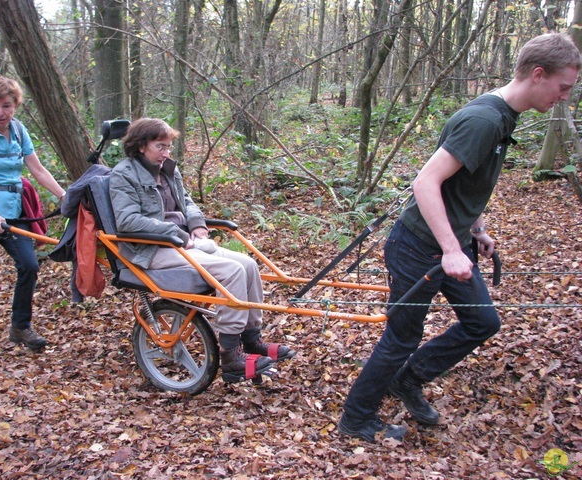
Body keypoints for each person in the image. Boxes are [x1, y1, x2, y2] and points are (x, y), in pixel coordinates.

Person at [338, 33, 581, 443]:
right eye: (564, 87)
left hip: (451, 244)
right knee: (401, 337)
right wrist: (451, 248)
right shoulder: (484, 120)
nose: (565, 97)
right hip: (419, 247)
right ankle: (356, 419)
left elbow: (465, 185)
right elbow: (426, 182)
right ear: (538, 75)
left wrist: (475, 230)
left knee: (482, 322)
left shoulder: (504, 115)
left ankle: (407, 380)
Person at [109, 118, 295, 382]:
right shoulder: (123, 174)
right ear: (140, 146)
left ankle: (251, 340)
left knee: (248, 265)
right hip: (152, 248)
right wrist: (176, 233)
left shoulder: (168, 169)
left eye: (169, 147)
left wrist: (196, 224)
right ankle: (231, 358)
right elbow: (127, 221)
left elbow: (187, 202)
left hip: (183, 241)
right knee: (231, 271)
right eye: (160, 147)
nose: (166, 153)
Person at [0, 77, 67, 355]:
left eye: (6, 105)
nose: (0, 112)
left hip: (14, 214)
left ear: (15, 105)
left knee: (29, 265)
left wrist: (65, 196)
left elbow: (38, 169)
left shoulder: (19, 131)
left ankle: (20, 327)